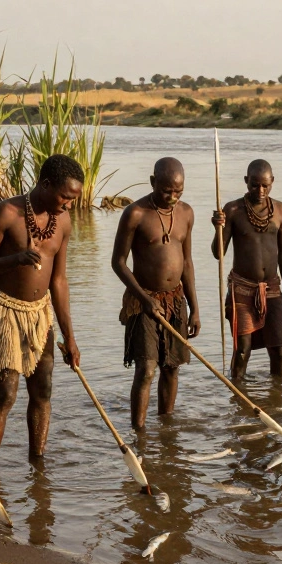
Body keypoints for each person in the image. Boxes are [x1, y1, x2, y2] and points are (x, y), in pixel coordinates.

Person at [0, 154, 83, 467]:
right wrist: (15, 259)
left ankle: (38, 463)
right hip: (5, 310)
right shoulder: (7, 213)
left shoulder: (63, 221)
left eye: (73, 199)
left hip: (40, 314)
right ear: (46, 184)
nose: (68, 205)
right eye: (65, 197)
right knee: (6, 392)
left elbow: (59, 281)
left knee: (43, 389)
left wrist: (70, 338)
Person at [111, 157, 201, 428]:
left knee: (171, 367)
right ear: (152, 182)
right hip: (143, 301)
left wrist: (194, 309)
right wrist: (145, 298)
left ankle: (166, 429)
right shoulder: (135, 213)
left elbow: (187, 263)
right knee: (146, 369)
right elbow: (118, 262)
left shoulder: (186, 213)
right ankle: (139, 434)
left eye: (178, 191)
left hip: (175, 300)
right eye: (166, 191)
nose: (173, 197)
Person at [210, 159, 282, 378]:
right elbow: (218, 253)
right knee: (242, 350)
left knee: (279, 351)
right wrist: (218, 229)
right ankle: (237, 394)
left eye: (265, 185)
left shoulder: (281, 210)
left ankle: (278, 396)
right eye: (254, 185)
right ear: (246, 181)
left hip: (272, 289)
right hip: (242, 289)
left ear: (272, 181)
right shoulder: (233, 210)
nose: (260, 191)